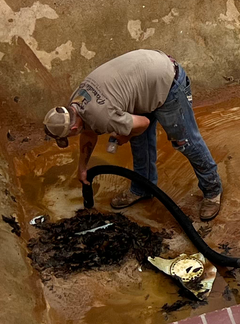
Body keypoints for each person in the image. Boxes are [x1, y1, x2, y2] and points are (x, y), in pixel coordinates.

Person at [43, 49, 222, 221]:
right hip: (144, 79)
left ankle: (212, 190)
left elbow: (143, 123)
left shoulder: (102, 116)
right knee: (138, 139)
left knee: (185, 140)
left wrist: (125, 136)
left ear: (73, 129)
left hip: (167, 81)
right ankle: (143, 187)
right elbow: (89, 134)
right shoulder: (75, 104)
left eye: (67, 136)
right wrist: (82, 167)